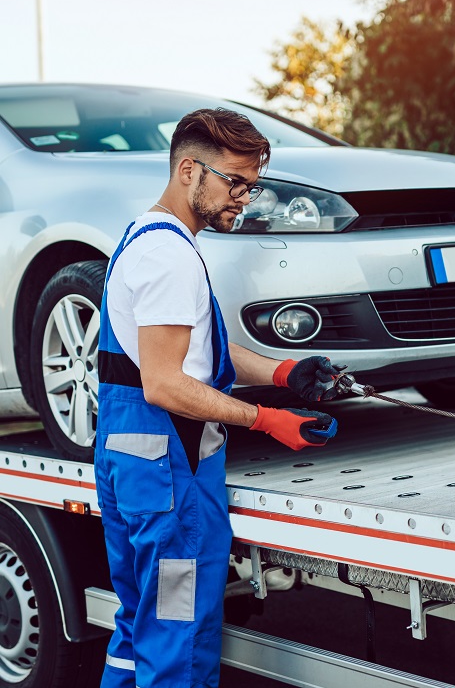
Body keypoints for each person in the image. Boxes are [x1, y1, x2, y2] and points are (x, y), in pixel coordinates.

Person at [94, 108, 343, 688]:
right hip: (172, 474)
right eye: (234, 182)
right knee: (179, 639)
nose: (244, 199)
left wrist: (284, 372)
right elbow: (165, 383)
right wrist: (265, 419)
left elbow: (192, 346)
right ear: (188, 170)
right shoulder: (170, 254)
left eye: (250, 186)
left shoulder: (146, 236)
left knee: (141, 627)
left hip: (137, 465)